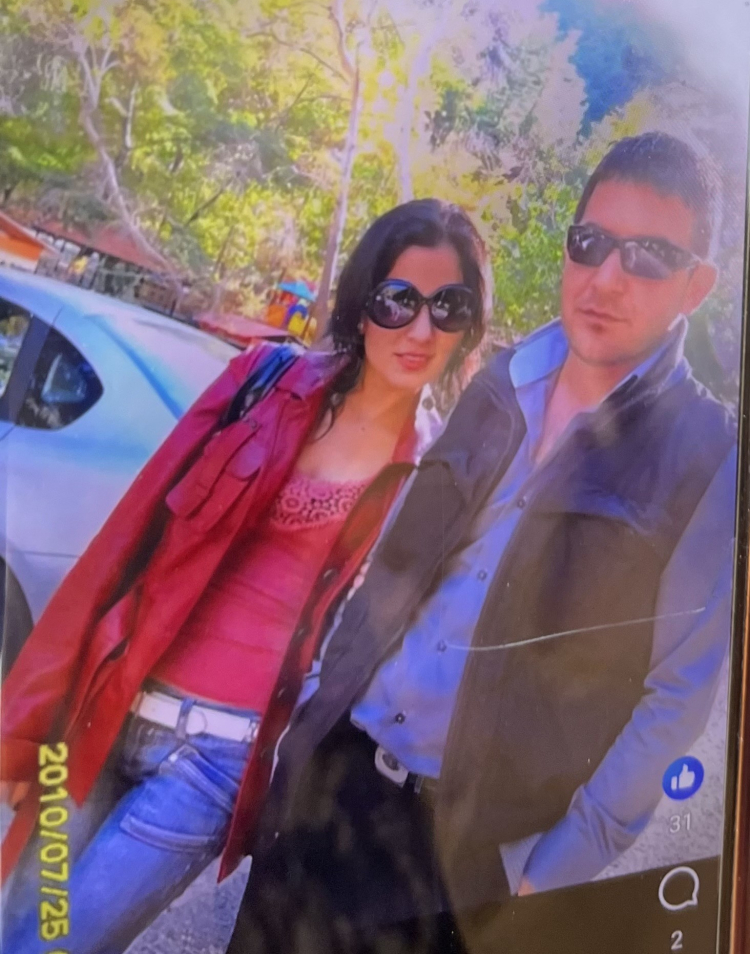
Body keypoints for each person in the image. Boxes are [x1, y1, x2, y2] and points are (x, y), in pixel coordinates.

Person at [227, 132, 738, 954]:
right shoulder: (502, 378)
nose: (607, 277)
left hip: (455, 861)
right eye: (591, 242)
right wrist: (317, 700)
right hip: (332, 778)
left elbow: (674, 697)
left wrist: (547, 875)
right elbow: (401, 557)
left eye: (648, 256)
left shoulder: (710, 457)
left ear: (696, 286)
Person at [0, 198, 490, 954]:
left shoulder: (434, 478)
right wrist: (27, 723)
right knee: (22, 928)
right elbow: (124, 545)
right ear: (363, 304)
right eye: (399, 300)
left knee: (58, 944)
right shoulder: (263, 383)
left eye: (447, 306)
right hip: (108, 705)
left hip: (215, 767)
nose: (420, 329)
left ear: (468, 326)